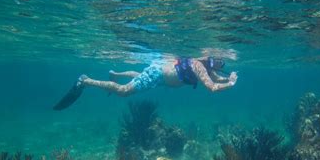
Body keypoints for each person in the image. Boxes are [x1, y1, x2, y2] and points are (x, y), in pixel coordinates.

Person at [53, 50, 238, 110]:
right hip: (158, 75)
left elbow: (216, 78)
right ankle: (86, 81)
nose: (217, 65)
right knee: (124, 91)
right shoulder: (198, 65)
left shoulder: (207, 68)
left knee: (141, 76)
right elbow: (212, 87)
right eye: (216, 61)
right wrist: (230, 84)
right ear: (207, 58)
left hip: (159, 78)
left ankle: (115, 73)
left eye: (221, 63)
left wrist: (227, 78)